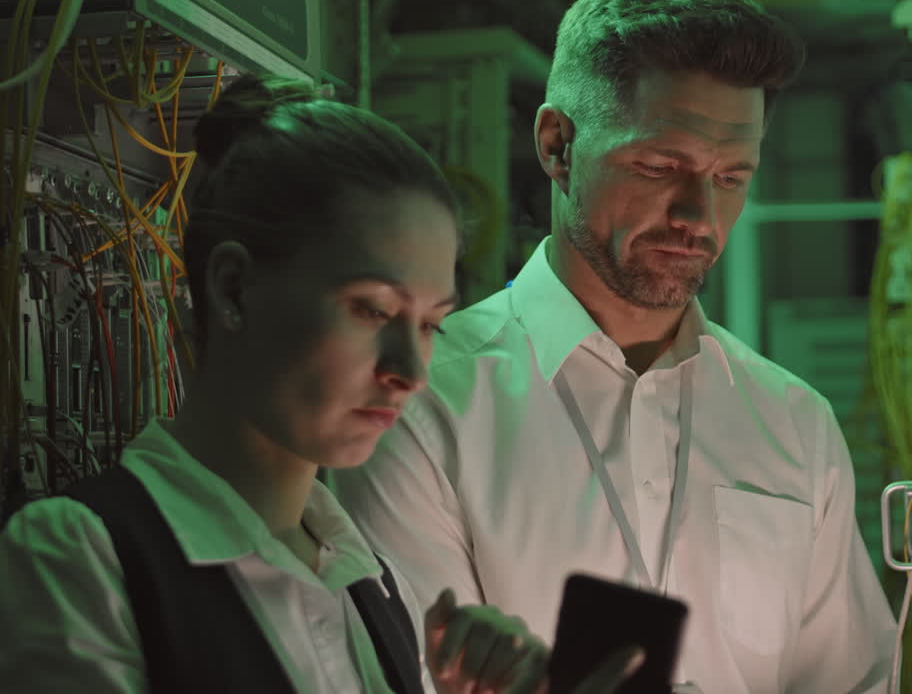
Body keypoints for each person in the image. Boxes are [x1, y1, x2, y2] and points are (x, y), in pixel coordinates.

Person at [329, 0, 898, 691]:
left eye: (731, 177)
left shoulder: (794, 424)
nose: (699, 213)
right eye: (661, 165)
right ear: (558, 145)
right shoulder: (421, 402)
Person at [0, 75, 640, 694]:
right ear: (233, 289)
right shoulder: (80, 558)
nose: (410, 373)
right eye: (371, 310)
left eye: (429, 325)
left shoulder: (368, 578)